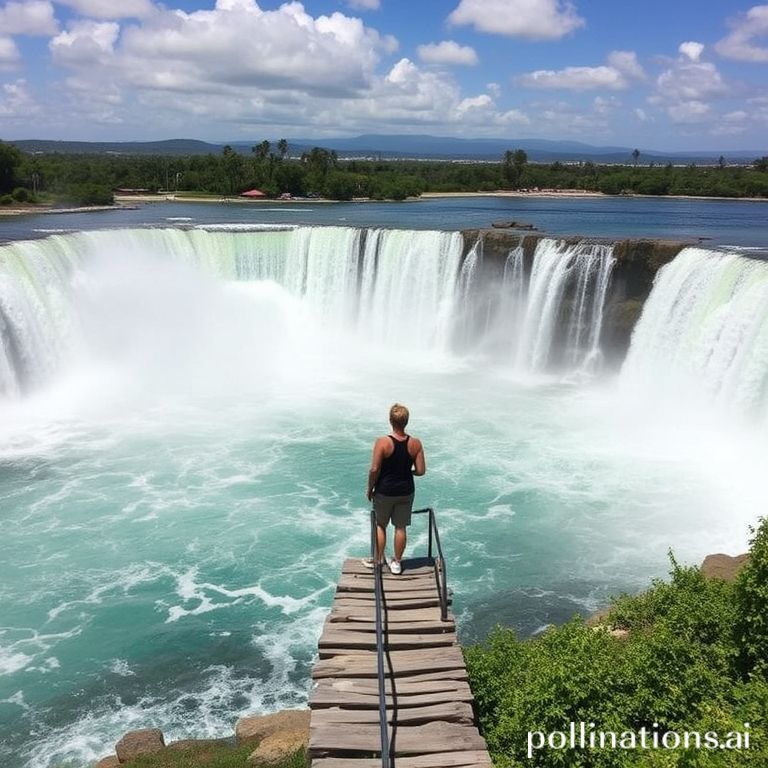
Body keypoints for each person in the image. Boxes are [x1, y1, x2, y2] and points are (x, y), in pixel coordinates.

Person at [365, 403, 426, 574]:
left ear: (390, 420)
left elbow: (374, 469)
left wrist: (370, 489)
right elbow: (421, 471)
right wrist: (406, 471)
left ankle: (378, 560)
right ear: (406, 421)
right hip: (406, 490)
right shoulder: (415, 443)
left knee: (380, 525)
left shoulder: (383, 442)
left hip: (385, 491)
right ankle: (397, 563)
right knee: (400, 527)